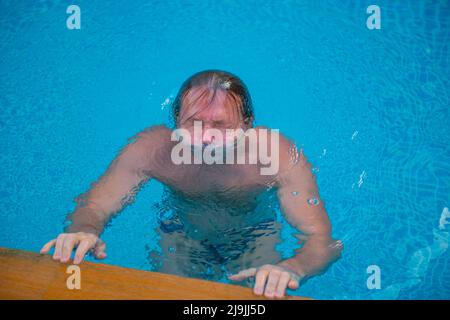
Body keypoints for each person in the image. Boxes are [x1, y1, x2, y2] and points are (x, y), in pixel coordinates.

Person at [40, 70, 343, 298]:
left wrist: (292, 268)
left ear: (247, 124)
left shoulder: (276, 156)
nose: (206, 136)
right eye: (194, 123)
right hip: (182, 235)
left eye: (220, 125)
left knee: (262, 296)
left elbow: (321, 241)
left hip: (255, 237)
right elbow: (95, 205)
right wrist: (84, 231)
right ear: (175, 121)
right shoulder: (153, 149)